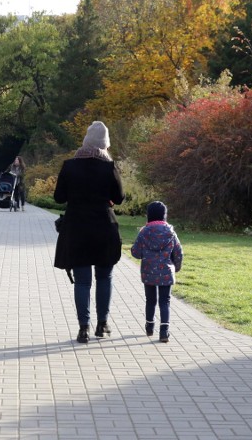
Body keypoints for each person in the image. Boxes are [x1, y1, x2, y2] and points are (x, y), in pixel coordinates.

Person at [53, 121, 125, 343]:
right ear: (105, 144)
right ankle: (102, 324)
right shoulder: (109, 167)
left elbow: (58, 197)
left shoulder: (69, 166)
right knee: (104, 277)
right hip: (104, 227)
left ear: (85, 141)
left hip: (77, 228)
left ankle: (83, 327)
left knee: (83, 281)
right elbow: (120, 198)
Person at [130, 201, 183, 343]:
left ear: (149, 215)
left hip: (148, 271)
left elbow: (135, 252)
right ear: (164, 215)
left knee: (150, 300)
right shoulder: (171, 232)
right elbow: (178, 252)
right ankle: (164, 331)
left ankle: (149, 326)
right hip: (166, 271)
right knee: (165, 301)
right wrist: (176, 267)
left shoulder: (144, 232)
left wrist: (143, 254)